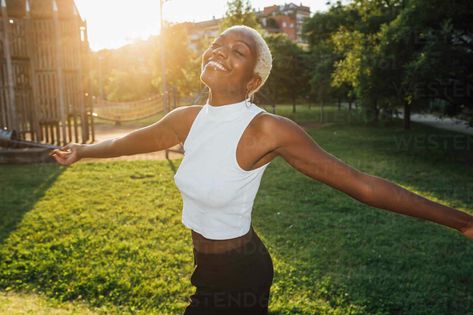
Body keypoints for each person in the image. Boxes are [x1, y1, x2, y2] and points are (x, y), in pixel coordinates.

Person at [50, 25, 473, 314]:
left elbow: (360, 184)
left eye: (238, 51)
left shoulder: (267, 129)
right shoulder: (186, 118)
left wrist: (461, 222)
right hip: (206, 266)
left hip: (241, 274)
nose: (220, 51)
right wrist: (83, 152)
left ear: (253, 81)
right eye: (218, 44)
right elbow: (130, 141)